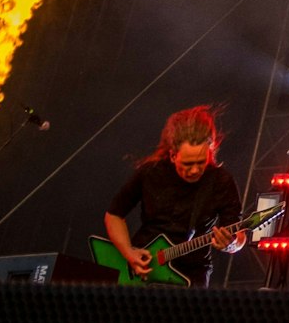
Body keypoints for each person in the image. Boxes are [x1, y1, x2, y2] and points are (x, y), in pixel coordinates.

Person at [104, 105, 246, 285]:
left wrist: (231, 243)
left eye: (201, 162)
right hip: (144, 268)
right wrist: (128, 252)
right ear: (172, 155)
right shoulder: (151, 172)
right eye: (187, 163)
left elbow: (238, 236)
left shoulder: (221, 181)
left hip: (191, 275)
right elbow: (114, 214)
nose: (195, 170)